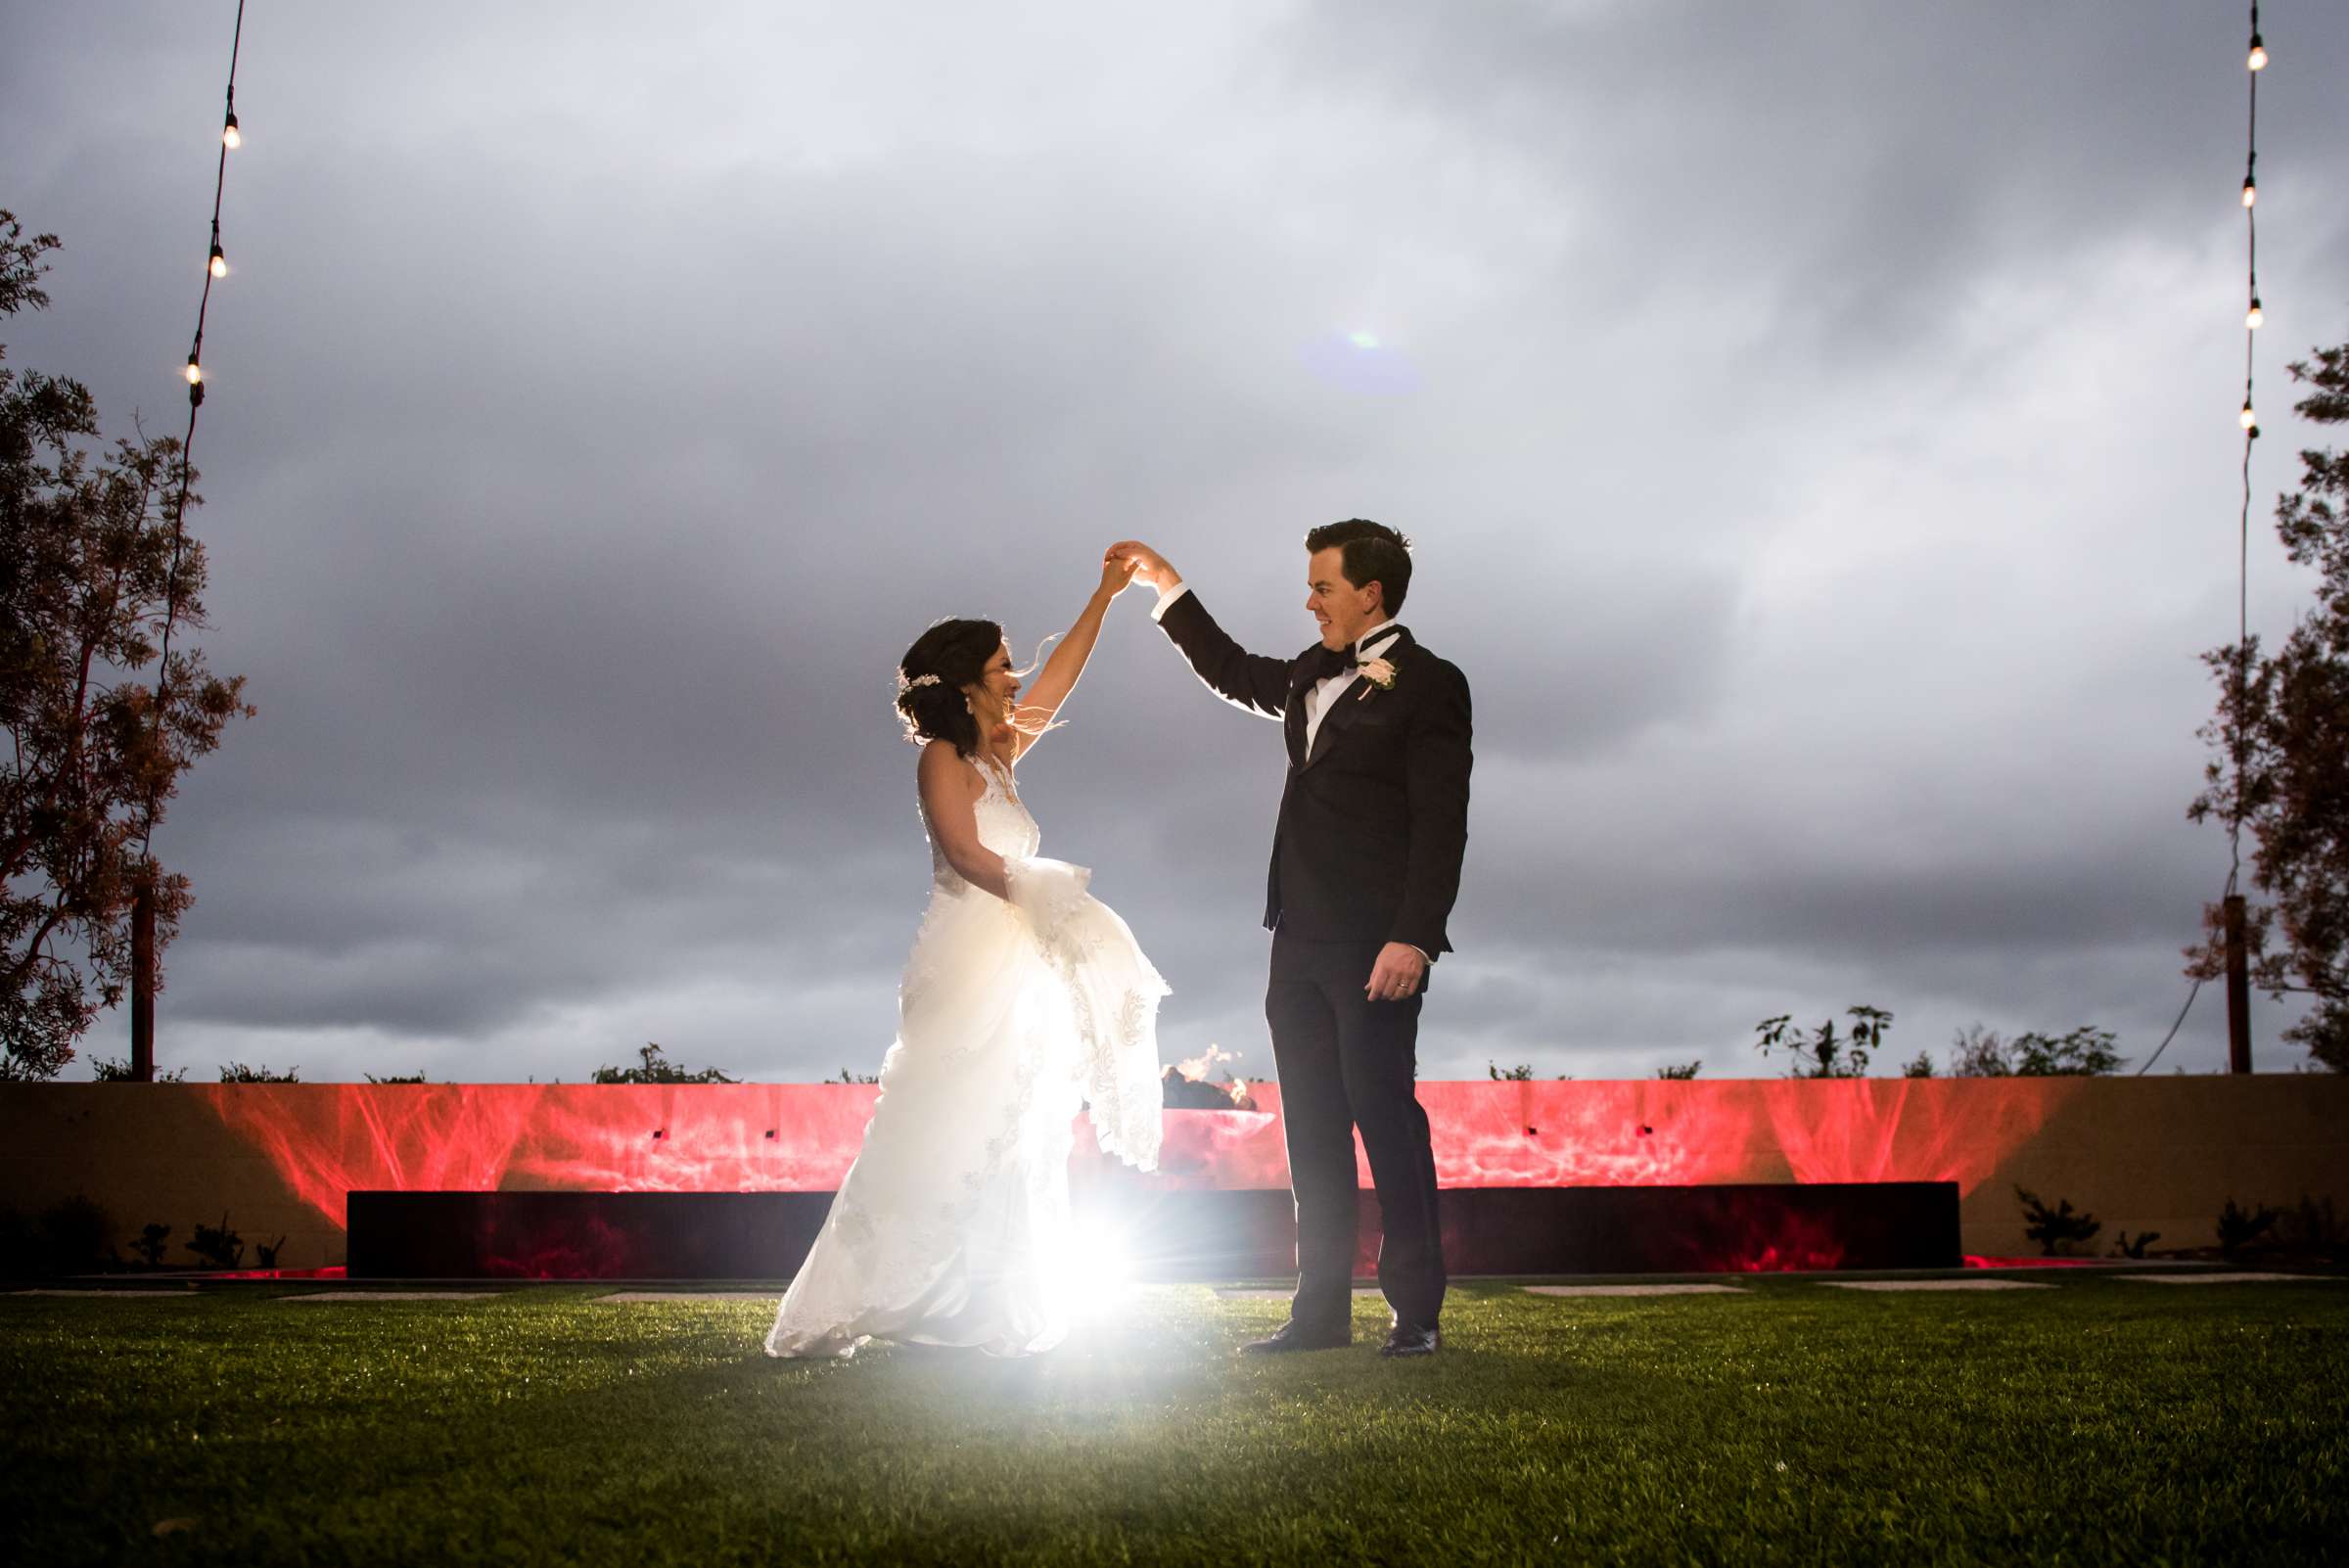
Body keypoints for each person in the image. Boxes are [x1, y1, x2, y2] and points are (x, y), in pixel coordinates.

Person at [765, 555, 1166, 1359]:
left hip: (1018, 970)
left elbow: (1062, 677)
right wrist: (1052, 896)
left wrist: (1104, 596)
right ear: (966, 685)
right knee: (938, 1125)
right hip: (962, 970)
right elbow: (966, 854)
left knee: (1012, 1129)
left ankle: (978, 1304)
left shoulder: (1000, 756)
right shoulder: (942, 762)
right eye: (999, 667)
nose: (1014, 679)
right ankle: (882, 1293)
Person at [1107, 522, 1471, 1358]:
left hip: (1376, 946)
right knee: (1310, 1131)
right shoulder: (1310, 671)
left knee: (1385, 1120)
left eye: (1323, 587)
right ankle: (1319, 1317)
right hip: (1296, 941)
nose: (1309, 602)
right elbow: (1233, 670)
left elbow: (1441, 826)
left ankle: (1415, 1314)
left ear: (1370, 592)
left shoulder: (1432, 684)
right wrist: (1167, 584)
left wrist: (1412, 938)